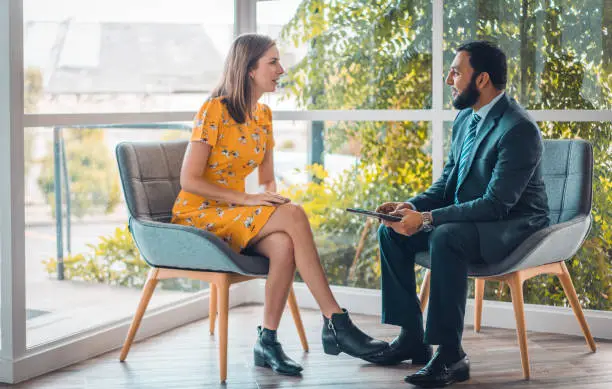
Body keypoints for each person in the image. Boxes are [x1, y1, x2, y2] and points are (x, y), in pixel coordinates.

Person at [171, 33, 387, 376]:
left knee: (286, 241)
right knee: (295, 215)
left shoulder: (263, 116)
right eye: (273, 62)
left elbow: (267, 180)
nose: (281, 69)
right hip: (200, 215)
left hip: (235, 213)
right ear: (249, 69)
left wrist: (272, 201)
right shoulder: (214, 110)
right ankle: (336, 321)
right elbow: (189, 181)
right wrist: (251, 200)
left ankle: (267, 341)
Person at [369, 41, 549, 387]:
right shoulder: (466, 118)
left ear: (481, 79)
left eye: (455, 71)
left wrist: (426, 219)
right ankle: (412, 337)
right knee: (390, 231)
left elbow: (497, 204)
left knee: (446, 236)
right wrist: (410, 207)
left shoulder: (519, 129)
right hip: (474, 219)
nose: (448, 78)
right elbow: (447, 184)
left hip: (513, 226)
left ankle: (451, 354)